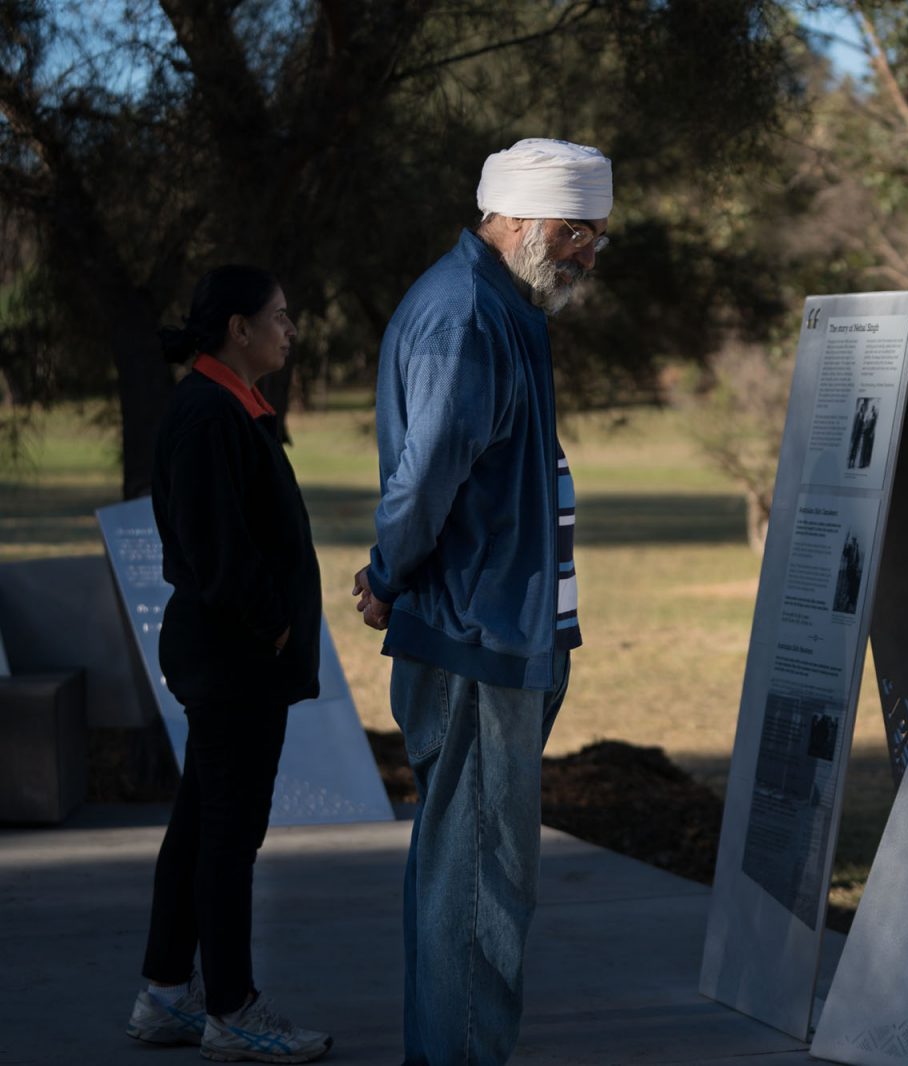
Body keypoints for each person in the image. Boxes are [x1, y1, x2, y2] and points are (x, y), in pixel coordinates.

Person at [351, 138, 610, 1065]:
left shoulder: (500, 307)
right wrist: (388, 575)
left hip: (501, 634)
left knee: (471, 875)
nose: (587, 253)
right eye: (578, 233)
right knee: (479, 887)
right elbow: (425, 486)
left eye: (597, 239)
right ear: (518, 218)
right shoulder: (467, 315)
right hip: (474, 640)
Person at [126, 266, 332, 1062]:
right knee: (228, 836)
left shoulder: (228, 405)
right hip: (233, 657)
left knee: (201, 824)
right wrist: (274, 625)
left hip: (230, 655)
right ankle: (233, 1009)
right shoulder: (211, 415)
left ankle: (166, 994)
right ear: (237, 330)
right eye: (279, 317)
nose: (291, 329)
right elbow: (219, 551)